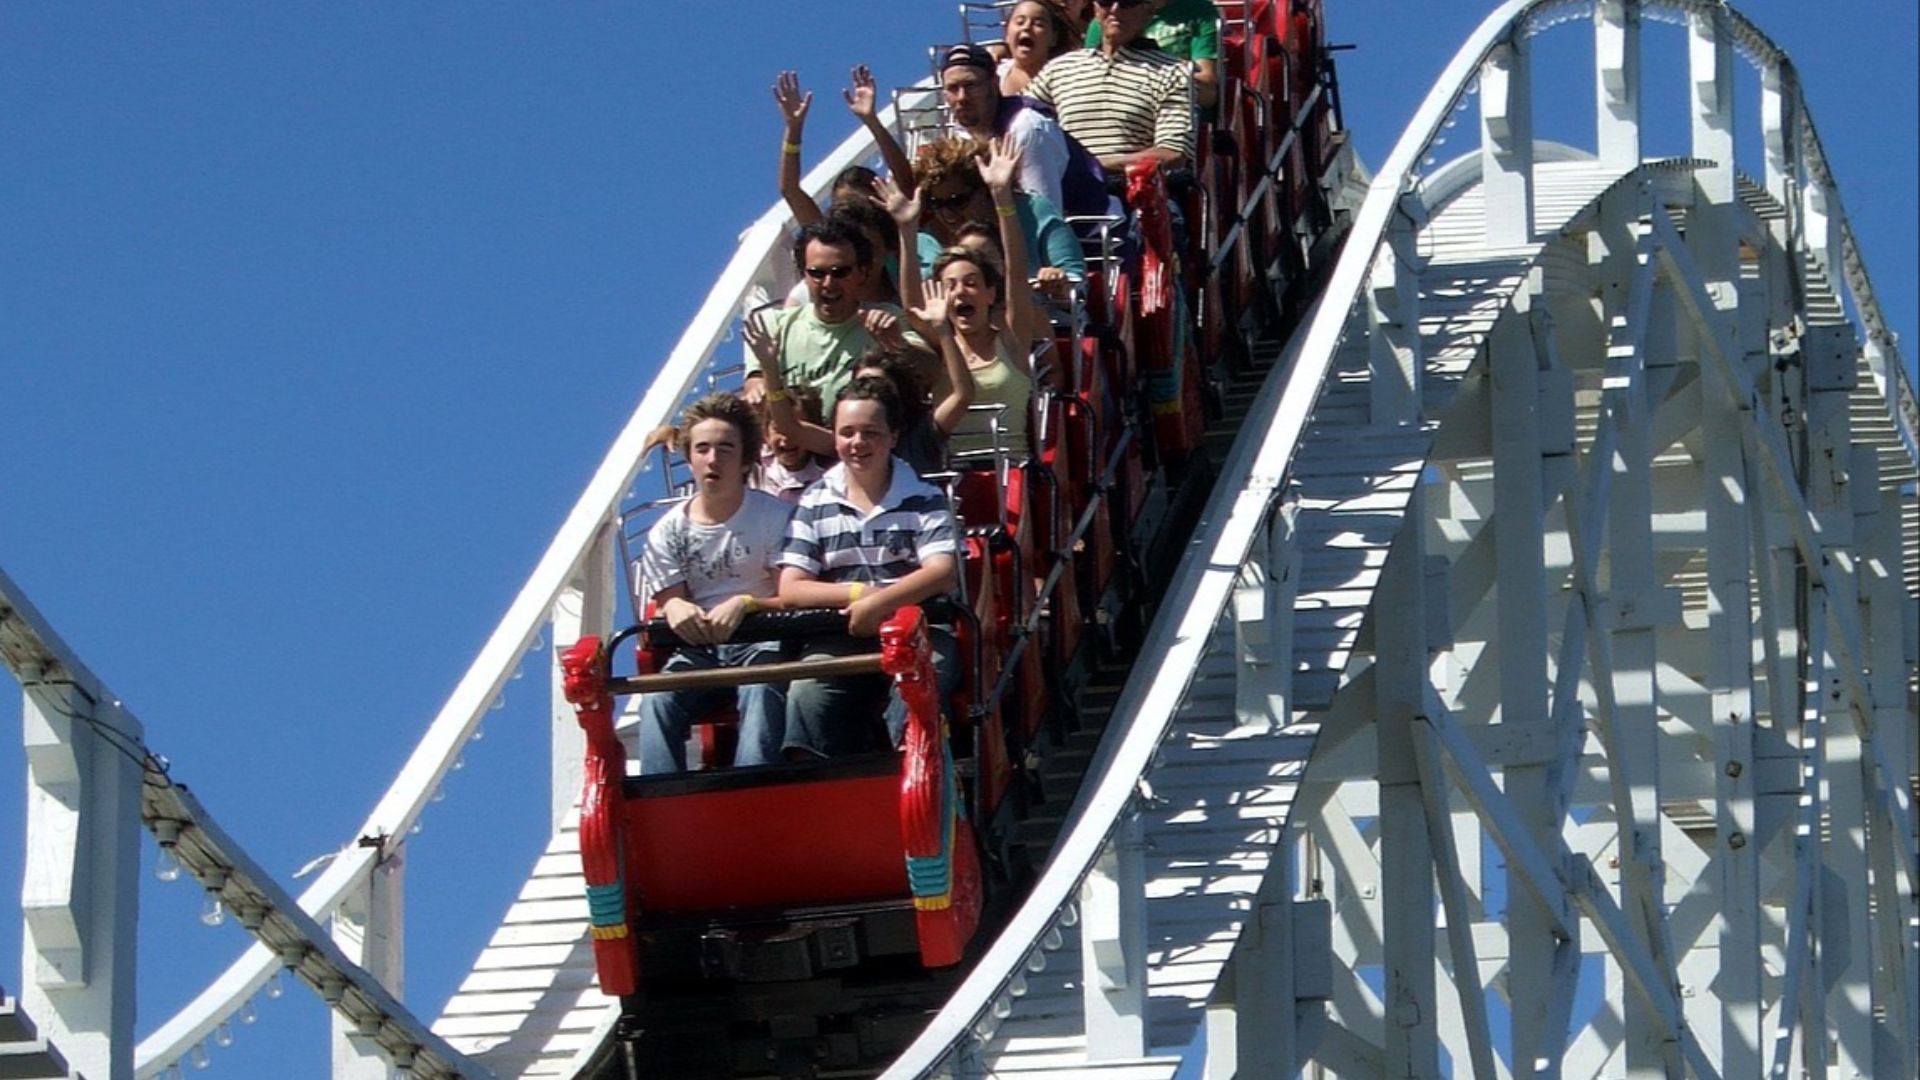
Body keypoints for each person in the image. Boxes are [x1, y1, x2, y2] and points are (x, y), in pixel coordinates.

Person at [776, 377, 963, 757]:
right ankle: (820, 777)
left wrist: (880, 605)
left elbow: (942, 571)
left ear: (893, 437)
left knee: (920, 683)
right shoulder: (814, 501)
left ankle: (911, 767)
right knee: (807, 692)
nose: (858, 443)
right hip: (839, 634)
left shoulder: (924, 497)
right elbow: (792, 587)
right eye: (847, 433)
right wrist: (859, 595)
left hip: (919, 629)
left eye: (870, 433)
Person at [634, 394, 795, 774]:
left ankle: (751, 787)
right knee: (656, 700)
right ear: (689, 458)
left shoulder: (776, 516)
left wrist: (746, 604)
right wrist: (675, 607)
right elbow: (670, 600)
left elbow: (792, 594)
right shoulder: (666, 532)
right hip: (700, 648)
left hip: (765, 639)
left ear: (746, 459)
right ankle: (663, 798)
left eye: (726, 449)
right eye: (702, 449)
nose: (713, 459)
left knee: (761, 685)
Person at [927, 137, 1056, 462]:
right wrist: (905, 229)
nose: (961, 292)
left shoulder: (1012, 339)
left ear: (990, 293)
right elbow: (915, 304)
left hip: (1010, 475)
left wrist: (1002, 198)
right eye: (950, 286)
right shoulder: (938, 345)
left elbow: (1015, 271)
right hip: (951, 480)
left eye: (971, 283)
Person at [744, 218, 933, 409]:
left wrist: (898, 345)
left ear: (862, 273)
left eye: (840, 272)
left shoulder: (888, 318)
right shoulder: (774, 326)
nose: (828, 283)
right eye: (817, 273)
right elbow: (754, 383)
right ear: (804, 276)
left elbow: (932, 370)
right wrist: (758, 389)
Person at [939, 42, 1110, 221]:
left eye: (971, 85)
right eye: (953, 88)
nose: (962, 97)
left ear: (994, 83)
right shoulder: (961, 136)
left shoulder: (1027, 126)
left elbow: (1045, 218)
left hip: (1093, 231)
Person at [1026, 0, 1195, 174]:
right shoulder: (1059, 68)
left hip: (1131, 186)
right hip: (1065, 186)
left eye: (1126, 3)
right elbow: (1019, 118)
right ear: (1095, 8)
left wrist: (1093, 166)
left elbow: (1172, 153)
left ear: (1148, 10)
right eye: (1106, 1)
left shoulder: (1172, 72)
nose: (1115, 9)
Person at [911, 136, 1084, 287]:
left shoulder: (1035, 212)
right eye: (937, 204)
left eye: (957, 201)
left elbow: (1075, 282)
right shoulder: (929, 237)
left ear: (985, 190)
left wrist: (1057, 282)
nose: (947, 213)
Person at [1084, 0, 1220, 109]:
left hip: (1175, 109)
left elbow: (1208, 92)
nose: (1115, 9)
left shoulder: (1199, 10)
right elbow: (1088, 78)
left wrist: (1165, 74)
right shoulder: (1108, 18)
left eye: (1128, 3)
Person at [755, 384, 825, 504]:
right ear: (766, 433)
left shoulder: (826, 472)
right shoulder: (755, 466)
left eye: (796, 429)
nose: (786, 438)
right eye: (778, 429)